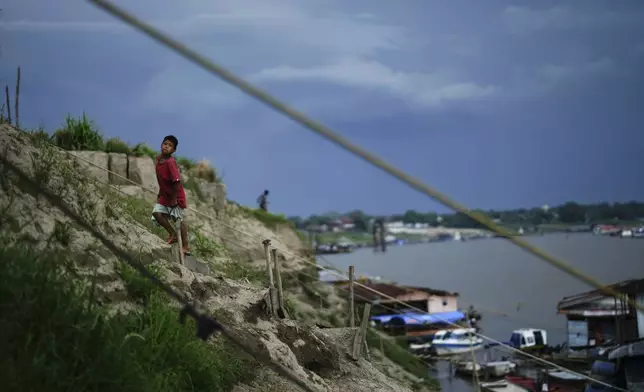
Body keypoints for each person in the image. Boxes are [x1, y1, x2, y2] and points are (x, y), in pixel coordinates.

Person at [151, 135, 190, 256]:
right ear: (161, 144)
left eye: (170, 146)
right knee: (157, 213)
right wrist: (160, 192)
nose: (166, 146)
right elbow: (162, 179)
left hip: (175, 196)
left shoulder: (170, 162)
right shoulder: (158, 160)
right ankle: (172, 234)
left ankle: (185, 246)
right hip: (165, 195)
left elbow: (177, 182)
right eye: (165, 144)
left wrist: (174, 199)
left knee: (178, 220)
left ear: (173, 150)